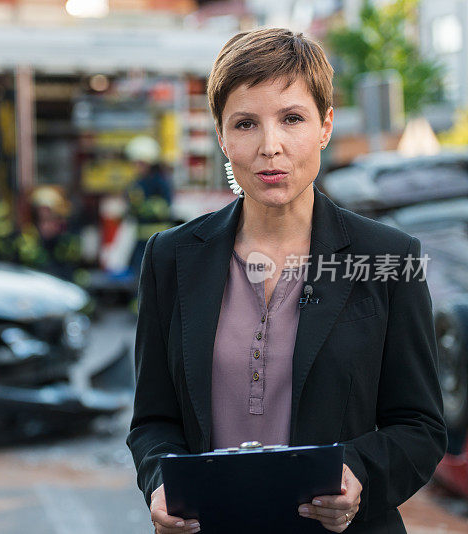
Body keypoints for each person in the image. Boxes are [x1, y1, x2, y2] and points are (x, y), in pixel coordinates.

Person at [126, 28, 446, 534]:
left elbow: (421, 427)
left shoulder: (389, 256)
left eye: (292, 119)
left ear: (325, 126)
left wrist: (358, 474)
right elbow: (153, 421)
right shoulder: (171, 257)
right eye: (246, 123)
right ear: (222, 137)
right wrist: (159, 481)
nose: (269, 146)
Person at [124, 135, 174, 276]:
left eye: (139, 163)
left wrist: (141, 207)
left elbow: (164, 207)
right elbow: (131, 208)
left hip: (158, 241)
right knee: (138, 274)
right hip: (140, 241)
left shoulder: (159, 182)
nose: (136, 167)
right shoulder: (137, 183)